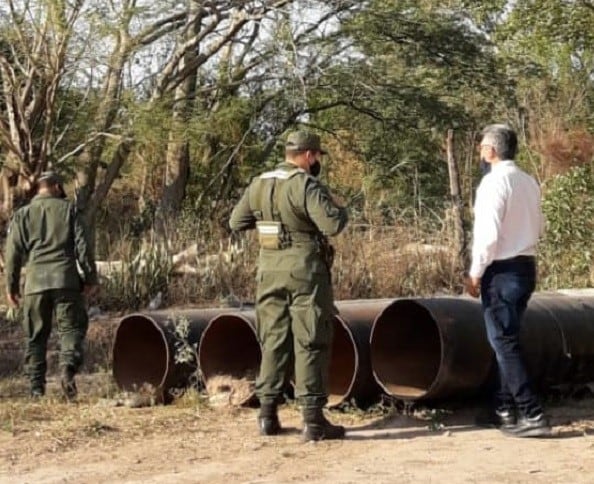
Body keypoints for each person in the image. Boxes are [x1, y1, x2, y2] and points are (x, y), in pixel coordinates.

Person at [229, 130, 349, 441]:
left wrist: (269, 224)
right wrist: (341, 208)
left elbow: (236, 222)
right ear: (309, 155)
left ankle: (267, 415)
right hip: (305, 271)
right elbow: (332, 225)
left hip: (268, 270)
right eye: (317, 157)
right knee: (311, 339)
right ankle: (312, 420)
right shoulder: (305, 184)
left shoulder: (259, 183)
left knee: (273, 339)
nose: (317, 162)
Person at [465, 124, 550, 437]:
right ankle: (503, 408)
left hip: (500, 271)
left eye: (482, 147)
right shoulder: (528, 181)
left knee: (503, 343)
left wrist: (475, 273)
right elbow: (538, 226)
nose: (479, 152)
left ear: (492, 150)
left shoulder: (493, 184)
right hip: (525, 266)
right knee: (507, 341)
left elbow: (487, 236)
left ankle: (531, 412)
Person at [5, 171, 99, 400]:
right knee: (71, 329)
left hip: (35, 284)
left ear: (39, 188)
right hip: (66, 280)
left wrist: (11, 287)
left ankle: (36, 389)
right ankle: (67, 370)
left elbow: (12, 255)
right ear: (57, 187)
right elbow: (84, 248)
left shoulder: (22, 215)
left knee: (35, 337)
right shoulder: (70, 211)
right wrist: (90, 279)